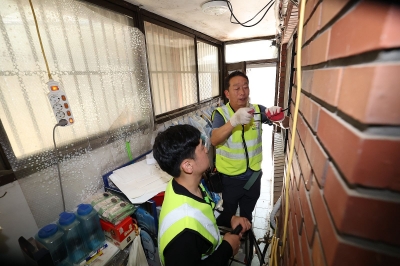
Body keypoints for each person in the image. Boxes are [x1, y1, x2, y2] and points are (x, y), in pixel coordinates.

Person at [153, 124, 252, 266]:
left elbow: (206, 211)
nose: (206, 150)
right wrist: (227, 249)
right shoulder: (184, 233)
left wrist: (230, 218)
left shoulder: (183, 185)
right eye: (201, 147)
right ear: (188, 166)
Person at [211, 70, 282, 223]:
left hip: (254, 176)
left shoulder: (257, 110)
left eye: (245, 87)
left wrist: (280, 117)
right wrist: (233, 122)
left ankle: (245, 238)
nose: (242, 92)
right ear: (227, 93)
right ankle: (231, 241)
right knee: (228, 215)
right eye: (236, 88)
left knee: (247, 214)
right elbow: (214, 139)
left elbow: (286, 124)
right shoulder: (221, 114)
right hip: (230, 179)